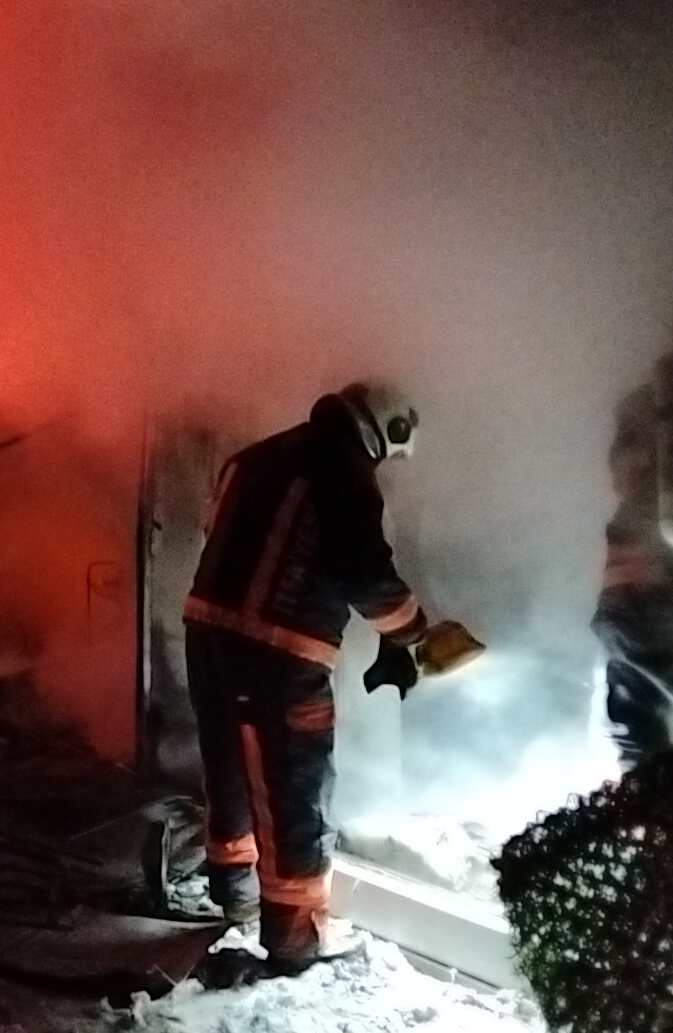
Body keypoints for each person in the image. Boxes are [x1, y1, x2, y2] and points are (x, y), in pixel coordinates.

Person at [184, 383, 429, 974]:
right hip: (280, 650)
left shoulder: (254, 455)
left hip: (206, 632)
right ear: (386, 432)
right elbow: (362, 570)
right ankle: (296, 940)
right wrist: (413, 633)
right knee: (295, 790)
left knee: (231, 773)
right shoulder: (343, 467)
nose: (385, 470)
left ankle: (234, 896)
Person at [595, 337, 673, 770]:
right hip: (654, 594)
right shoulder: (663, 402)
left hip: (646, 598)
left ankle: (648, 815)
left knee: (639, 724)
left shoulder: (658, 401)